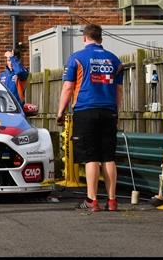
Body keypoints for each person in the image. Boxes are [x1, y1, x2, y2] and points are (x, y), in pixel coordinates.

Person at [56, 24, 123, 212]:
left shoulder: (76, 58)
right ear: (101, 39)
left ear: (84, 38)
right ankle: (112, 200)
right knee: (108, 157)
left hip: (86, 110)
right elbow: (119, 90)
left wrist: (61, 111)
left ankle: (92, 200)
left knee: (91, 157)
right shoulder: (114, 60)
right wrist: (116, 112)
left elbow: (68, 87)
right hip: (109, 111)